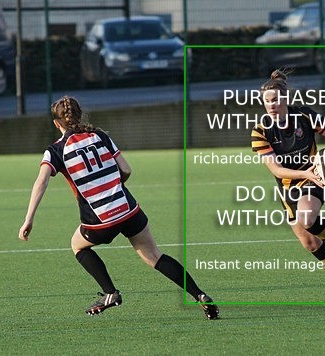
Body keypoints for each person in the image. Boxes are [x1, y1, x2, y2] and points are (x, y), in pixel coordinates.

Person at [18, 96, 219, 319]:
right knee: (154, 255)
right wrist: (113, 186)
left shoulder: (55, 150)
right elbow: (126, 169)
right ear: (79, 115)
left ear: (57, 123)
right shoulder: (100, 135)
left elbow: (42, 181)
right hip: (128, 209)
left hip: (100, 219)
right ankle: (199, 295)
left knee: (77, 246)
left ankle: (110, 293)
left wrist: (29, 219)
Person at [250, 69, 325, 300]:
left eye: (275, 100)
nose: (271, 105)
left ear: (285, 100)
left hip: (315, 175)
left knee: (307, 217)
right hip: (288, 184)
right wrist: (305, 173)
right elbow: (275, 169)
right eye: (266, 102)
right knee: (310, 243)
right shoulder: (260, 131)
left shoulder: (304, 115)